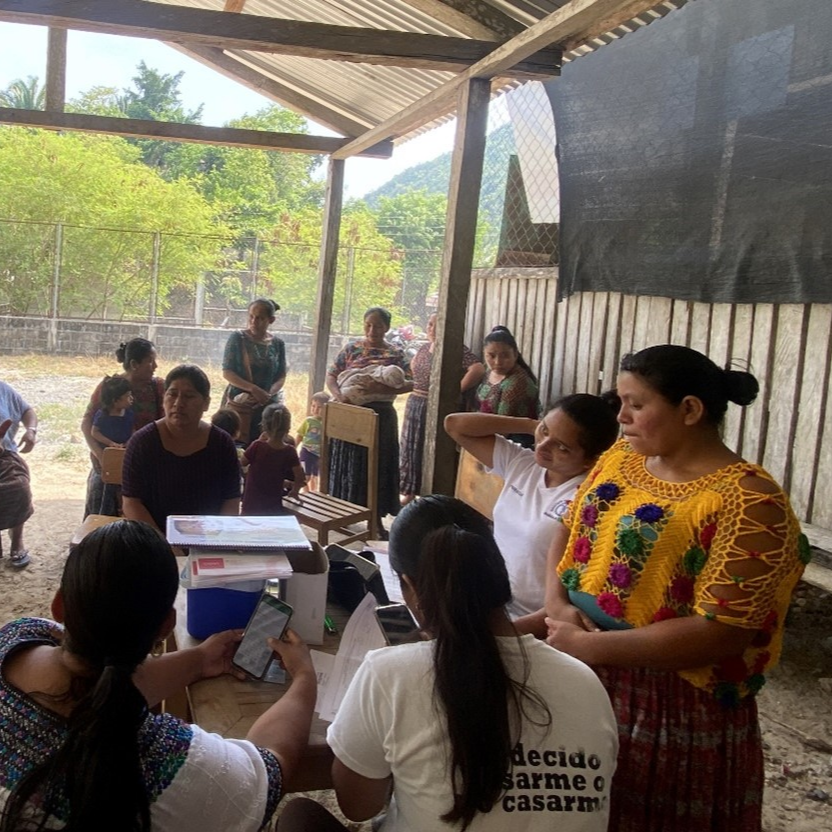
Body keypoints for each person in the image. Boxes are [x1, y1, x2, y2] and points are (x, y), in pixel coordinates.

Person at [538, 344, 808, 831]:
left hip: (669, 705)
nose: (620, 417)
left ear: (689, 410)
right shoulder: (622, 457)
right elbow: (570, 527)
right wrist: (556, 605)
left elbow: (722, 632)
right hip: (579, 661)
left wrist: (591, 647)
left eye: (636, 405)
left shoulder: (749, 502)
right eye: (620, 401)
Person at [277, 495, 618, 832]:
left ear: (409, 587)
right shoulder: (586, 683)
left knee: (299, 818)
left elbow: (358, 806)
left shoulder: (390, 674)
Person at [0, 520, 317, 832]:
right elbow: (270, 769)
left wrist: (198, 660)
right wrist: (303, 676)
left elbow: (100, 671)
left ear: (59, 607)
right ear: (167, 627)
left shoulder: (17, 636)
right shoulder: (169, 763)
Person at [445, 392, 620, 626]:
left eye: (562, 447)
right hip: (490, 603)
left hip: (536, 622)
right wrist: (531, 426)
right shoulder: (523, 463)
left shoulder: (589, 500)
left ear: (591, 460)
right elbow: (455, 425)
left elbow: (572, 600)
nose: (544, 446)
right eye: (545, 431)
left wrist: (504, 634)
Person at [122, 364, 241, 536]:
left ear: (206, 403)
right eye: (172, 394)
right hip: (154, 542)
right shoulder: (142, 443)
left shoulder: (222, 444)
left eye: (189, 396)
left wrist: (215, 540)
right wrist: (163, 544)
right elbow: (131, 502)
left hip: (208, 541)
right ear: (164, 399)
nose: (178, 403)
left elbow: (231, 501)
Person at [325, 307, 413, 534]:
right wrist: (340, 396)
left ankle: (375, 521)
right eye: (368, 325)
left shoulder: (397, 353)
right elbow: (332, 375)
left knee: (378, 466)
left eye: (378, 325)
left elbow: (412, 383)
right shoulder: (351, 349)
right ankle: (343, 514)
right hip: (350, 412)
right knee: (349, 463)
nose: (372, 330)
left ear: (387, 328)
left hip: (381, 416)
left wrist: (380, 386)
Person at [399, 313, 484, 504]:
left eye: (436, 325)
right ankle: (410, 492)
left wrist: (456, 391)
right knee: (411, 450)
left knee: (432, 449)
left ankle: (433, 494)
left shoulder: (454, 350)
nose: (431, 329)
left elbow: (478, 369)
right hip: (416, 405)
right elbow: (414, 369)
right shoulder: (423, 348)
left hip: (437, 407)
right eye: (429, 324)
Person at [81, 338, 164, 518]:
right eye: (150, 361)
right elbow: (87, 423)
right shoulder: (109, 387)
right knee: (100, 517)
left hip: (144, 467)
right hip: (107, 464)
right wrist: (102, 457)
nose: (155, 366)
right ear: (134, 364)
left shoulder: (158, 389)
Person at [222, 298, 287, 445]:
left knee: (264, 446)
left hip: (266, 406)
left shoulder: (277, 344)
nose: (253, 321)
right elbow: (227, 372)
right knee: (237, 444)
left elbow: (281, 376)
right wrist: (253, 389)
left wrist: (268, 394)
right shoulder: (237, 338)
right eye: (251, 316)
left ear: (271, 320)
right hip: (241, 403)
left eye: (260, 318)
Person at [474, 326, 541, 448]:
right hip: (489, 435)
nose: (498, 362)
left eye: (505, 355)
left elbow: (502, 428)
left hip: (513, 445)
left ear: (515, 354)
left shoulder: (516, 382)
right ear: (484, 353)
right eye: (491, 355)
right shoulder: (490, 371)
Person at [242, 403, 305, 515]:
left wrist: (258, 440)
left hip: (251, 504)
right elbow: (299, 476)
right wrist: (294, 491)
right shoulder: (289, 451)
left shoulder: (257, 446)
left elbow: (242, 462)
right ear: (288, 428)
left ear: (264, 425)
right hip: (272, 506)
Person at [0, 382, 38, 568]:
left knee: (19, 488)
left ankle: (17, 540)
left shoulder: (2, 389)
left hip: (5, 455)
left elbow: (27, 411)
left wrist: (31, 431)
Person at [295, 391, 330, 492]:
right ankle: (305, 493)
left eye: (319, 407)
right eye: (313, 406)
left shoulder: (328, 423)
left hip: (319, 454)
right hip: (307, 451)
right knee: (306, 476)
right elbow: (300, 435)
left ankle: (313, 494)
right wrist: (294, 447)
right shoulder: (308, 421)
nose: (315, 409)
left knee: (315, 477)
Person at [91, 376, 135, 449]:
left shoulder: (129, 413)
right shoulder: (102, 415)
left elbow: (133, 429)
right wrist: (110, 443)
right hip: (107, 449)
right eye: (128, 396)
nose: (132, 398)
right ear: (115, 401)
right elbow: (95, 432)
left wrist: (130, 441)